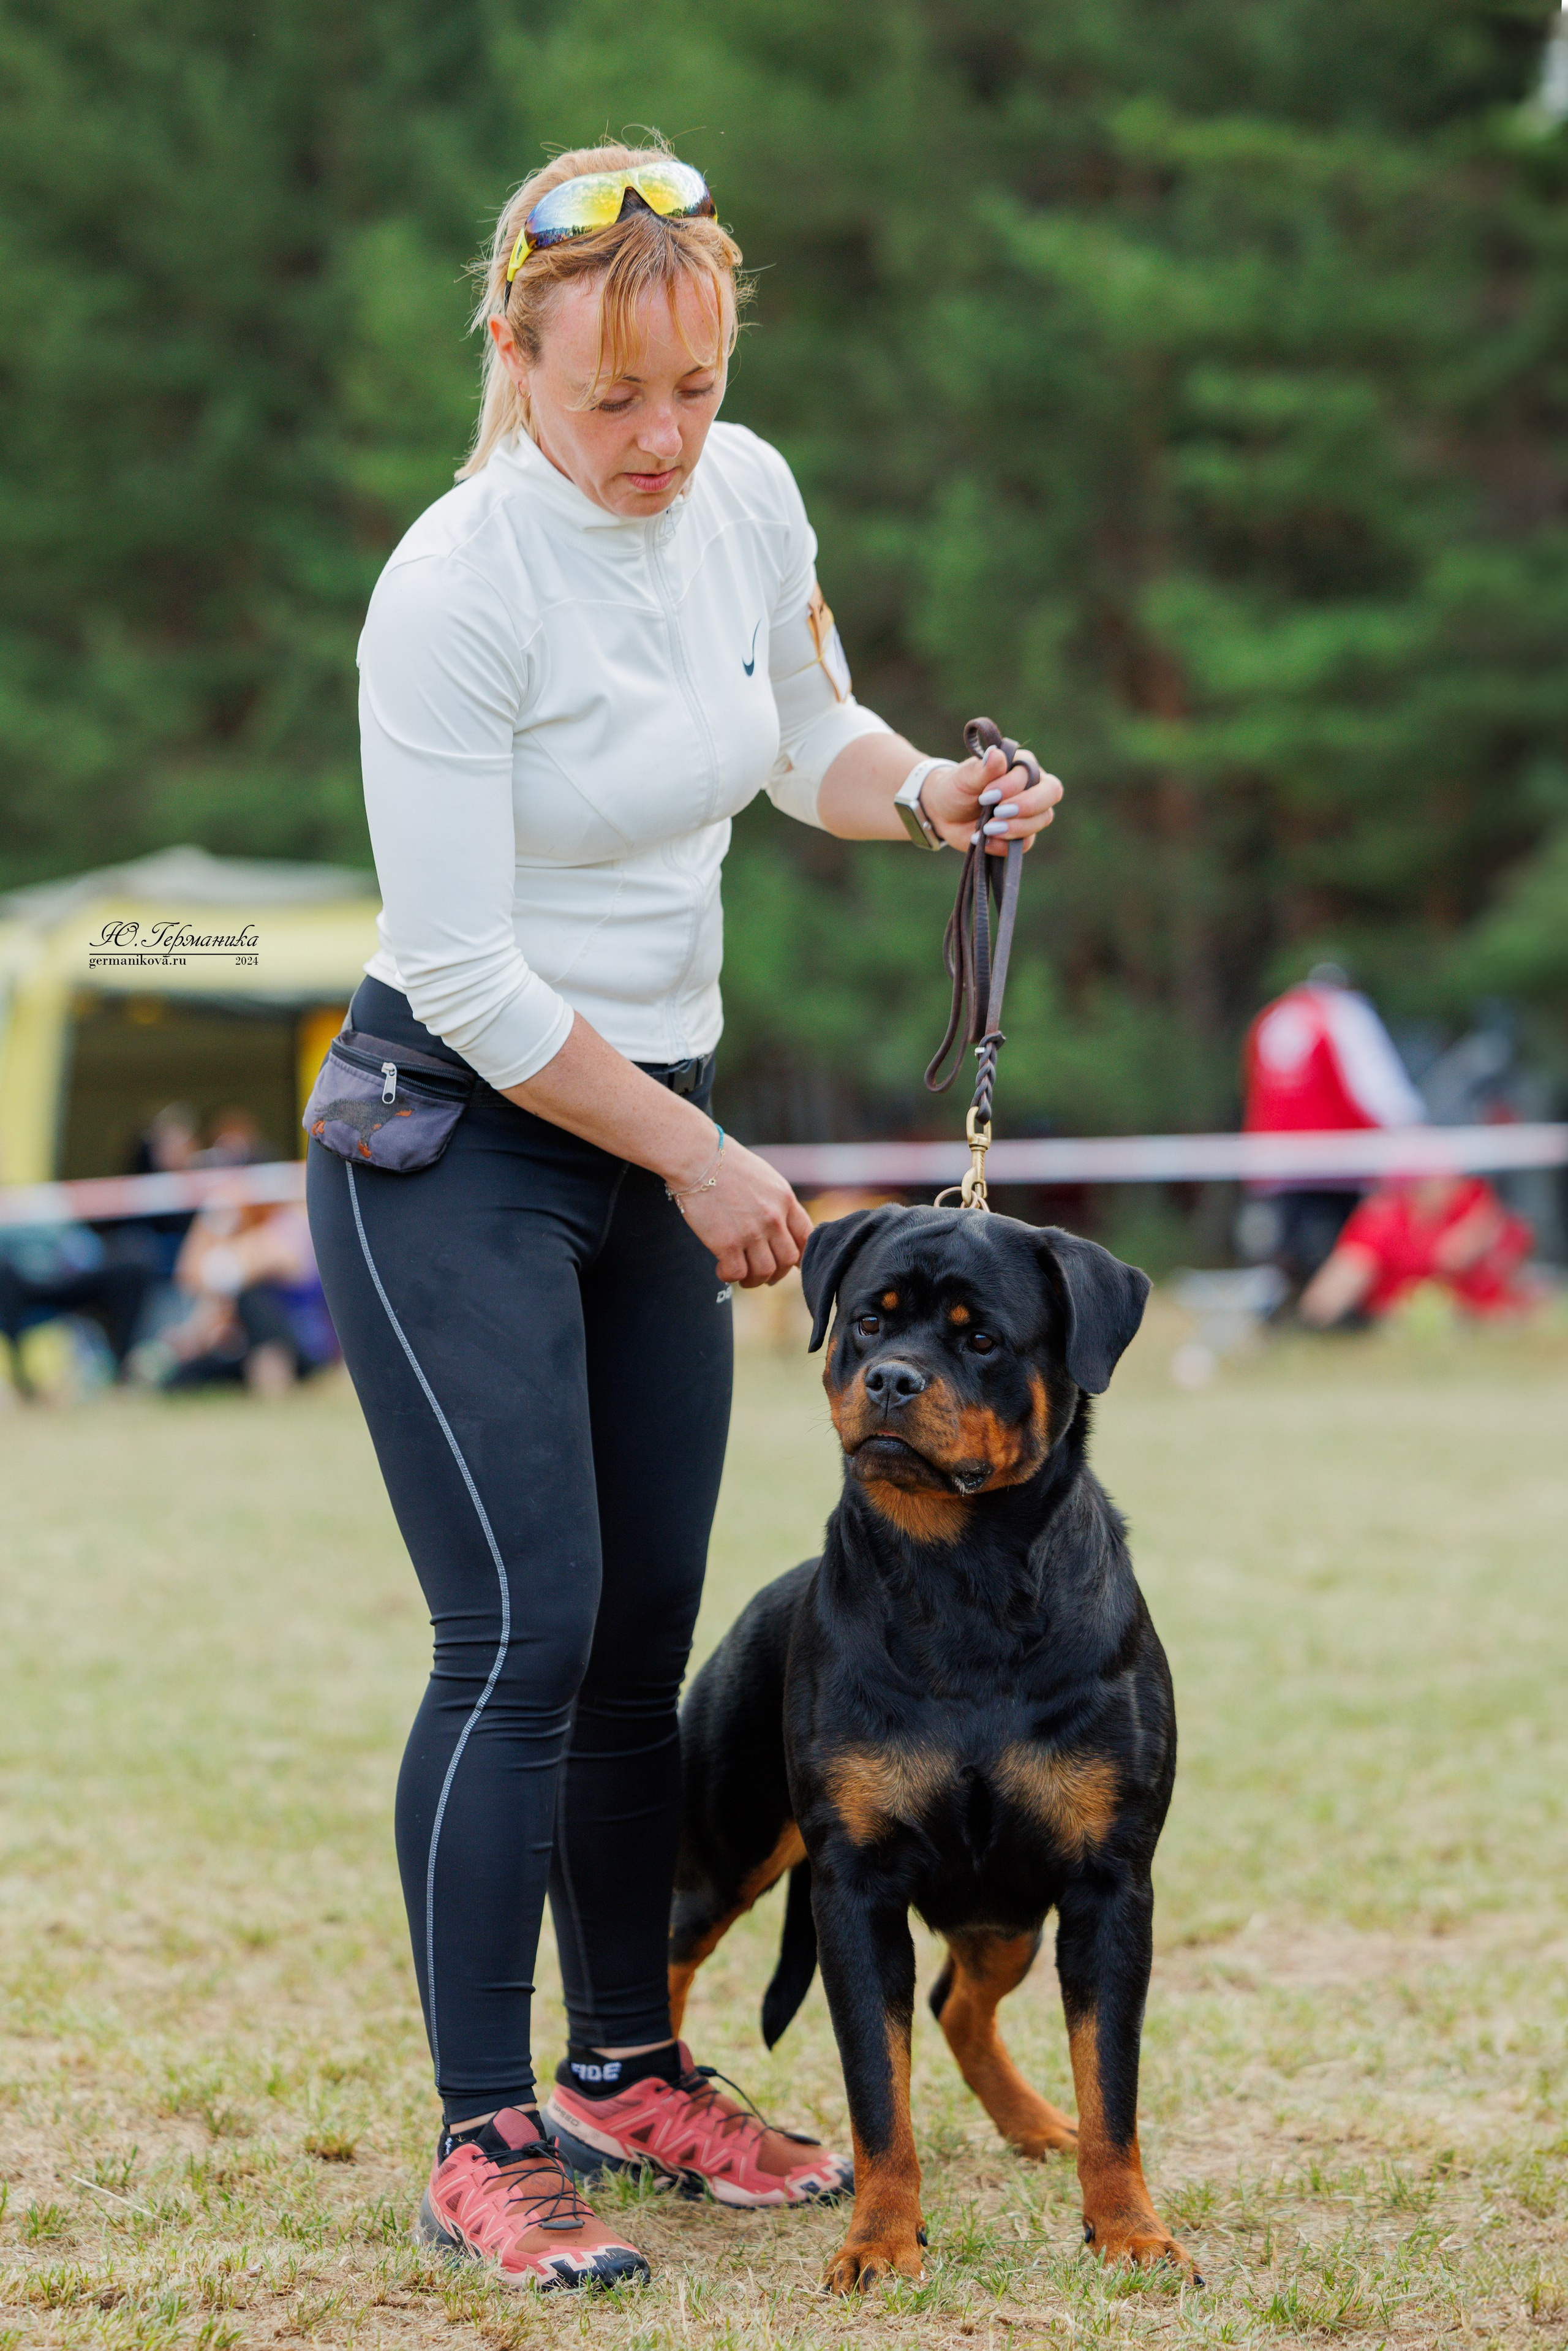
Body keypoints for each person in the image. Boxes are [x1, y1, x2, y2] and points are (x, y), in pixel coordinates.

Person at [304, 143, 1063, 2290]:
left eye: (694, 388)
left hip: (652, 1123)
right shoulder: (455, 586)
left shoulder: (748, 498)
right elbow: (463, 974)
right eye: (612, 395)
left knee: (644, 1634)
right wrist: (700, 1156)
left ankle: (628, 2062)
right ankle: (483, 2131)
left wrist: (922, 792)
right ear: (514, 353)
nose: (660, 440)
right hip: (452, 1130)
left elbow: (801, 730)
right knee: (522, 1631)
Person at [1240, 963, 1426, 1289]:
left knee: (1284, 1246)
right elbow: (1376, 1085)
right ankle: (1331, 1316)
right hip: (1338, 1160)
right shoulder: (1344, 1014)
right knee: (1342, 1245)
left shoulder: (1271, 1017)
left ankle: (1286, 1310)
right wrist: (1412, 1129)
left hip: (1276, 1162)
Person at [1298, 1172, 1540, 1327]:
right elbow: (1338, 1282)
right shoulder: (1385, 1219)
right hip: (1393, 1322)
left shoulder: (1473, 1202)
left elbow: (1459, 1254)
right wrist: (1315, 1322)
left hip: (1480, 1320)